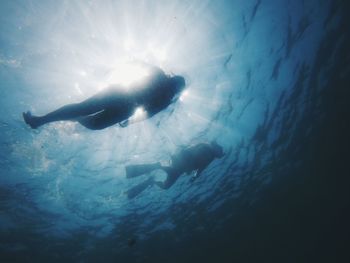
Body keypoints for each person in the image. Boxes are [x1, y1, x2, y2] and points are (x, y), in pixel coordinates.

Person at [22, 64, 185, 130]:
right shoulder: (165, 96)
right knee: (88, 117)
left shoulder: (164, 92)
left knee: (89, 119)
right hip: (123, 99)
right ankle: (42, 120)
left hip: (121, 96)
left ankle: (70, 118)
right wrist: (131, 121)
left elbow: (135, 63)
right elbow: (150, 113)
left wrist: (111, 70)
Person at [125, 141, 224, 199]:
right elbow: (194, 156)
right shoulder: (205, 148)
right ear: (217, 150)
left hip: (179, 170)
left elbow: (200, 168)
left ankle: (152, 179)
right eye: (219, 152)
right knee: (168, 181)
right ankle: (157, 167)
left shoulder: (209, 155)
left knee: (166, 186)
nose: (218, 155)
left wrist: (194, 176)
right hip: (180, 164)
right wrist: (192, 173)